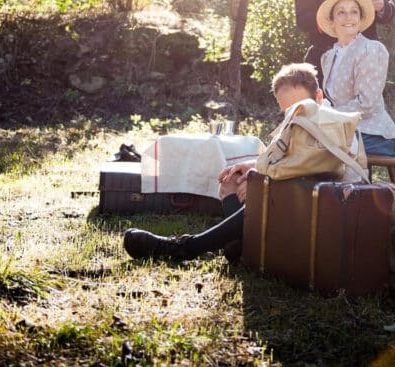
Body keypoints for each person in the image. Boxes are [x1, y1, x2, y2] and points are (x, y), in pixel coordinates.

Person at [122, 62, 346, 262]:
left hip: (317, 207)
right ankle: (239, 244)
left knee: (263, 192)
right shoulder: (294, 125)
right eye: (287, 112)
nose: (293, 116)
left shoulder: (330, 123)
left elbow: (312, 168)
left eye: (300, 108)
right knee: (232, 179)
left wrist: (261, 180)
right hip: (289, 194)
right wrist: (250, 166)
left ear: (318, 97)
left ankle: (185, 247)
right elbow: (284, 157)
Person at [317, 0, 395, 157]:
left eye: (354, 12)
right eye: (341, 12)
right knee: (304, 140)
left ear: (360, 18)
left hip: (377, 135)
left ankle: (347, 183)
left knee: (319, 149)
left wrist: (327, 117)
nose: (348, 17)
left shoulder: (370, 50)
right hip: (343, 130)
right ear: (332, 20)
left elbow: (366, 104)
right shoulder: (328, 57)